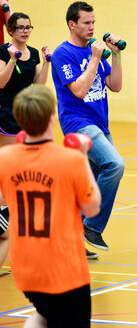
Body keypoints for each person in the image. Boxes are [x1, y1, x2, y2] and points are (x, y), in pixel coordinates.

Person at [0, 84, 100, 328]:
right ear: (52, 117)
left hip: (25, 266)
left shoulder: (5, 158)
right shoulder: (70, 159)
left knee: (44, 312)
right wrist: (84, 156)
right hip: (63, 268)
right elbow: (92, 208)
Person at [51, 1, 125, 256]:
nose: (92, 27)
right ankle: (91, 228)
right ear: (72, 24)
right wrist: (94, 58)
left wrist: (115, 55)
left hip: (99, 123)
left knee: (88, 186)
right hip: (77, 123)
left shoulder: (95, 52)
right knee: (115, 165)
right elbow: (80, 91)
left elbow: (115, 86)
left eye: (93, 22)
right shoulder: (64, 54)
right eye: (86, 22)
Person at [0, 12, 51, 147]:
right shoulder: (2, 51)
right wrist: (12, 60)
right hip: (6, 112)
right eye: (20, 27)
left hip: (25, 111)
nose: (25, 31)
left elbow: (38, 84)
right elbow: (1, 83)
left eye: (28, 27)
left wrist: (46, 63)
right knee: (8, 157)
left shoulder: (33, 53)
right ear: (11, 30)